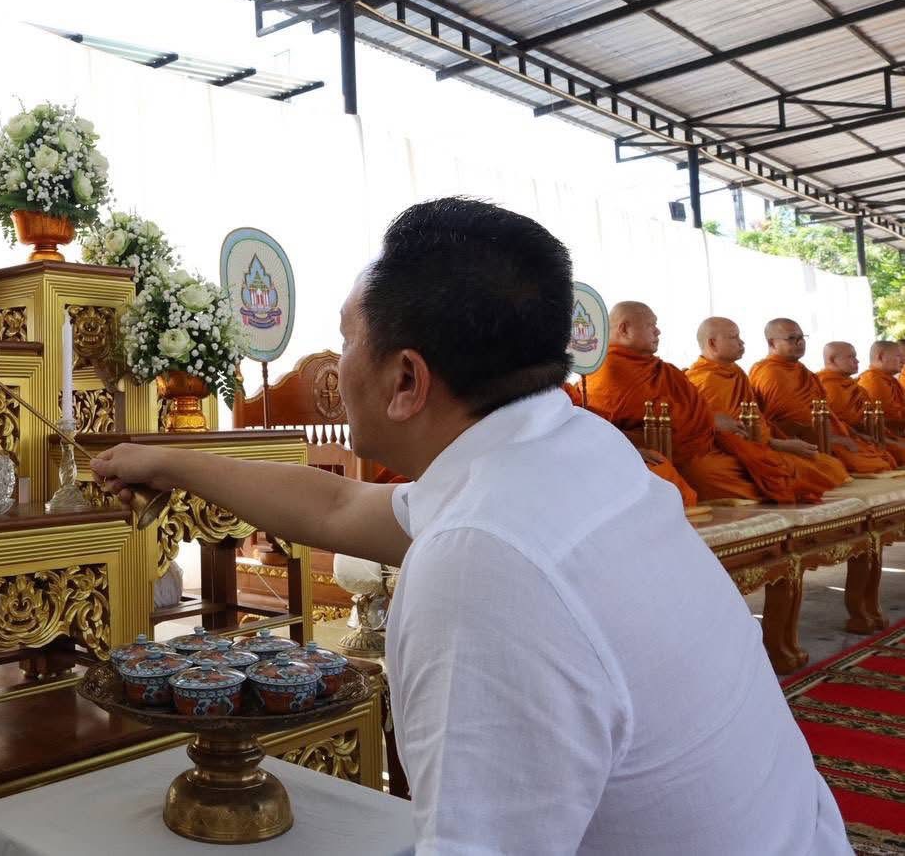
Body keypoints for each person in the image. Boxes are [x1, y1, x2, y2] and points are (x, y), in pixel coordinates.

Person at [94, 198, 846, 853]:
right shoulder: (572, 449)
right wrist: (167, 461)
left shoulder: (480, 566)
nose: (336, 366)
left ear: (405, 380)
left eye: (347, 339)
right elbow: (336, 507)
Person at [584, 301, 803, 503]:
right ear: (624, 329)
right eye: (651, 325)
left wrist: (712, 423)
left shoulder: (665, 370)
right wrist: (710, 420)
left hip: (700, 446)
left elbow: (692, 412)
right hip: (663, 455)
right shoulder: (607, 370)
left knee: (766, 464)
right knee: (708, 472)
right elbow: (604, 430)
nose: (658, 331)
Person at [685, 317, 848, 499]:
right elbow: (713, 434)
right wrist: (778, 444)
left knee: (829, 465)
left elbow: (755, 420)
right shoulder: (703, 379)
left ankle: (768, 481)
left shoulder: (737, 372)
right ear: (712, 343)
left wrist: (771, 443)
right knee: (709, 473)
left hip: (755, 446)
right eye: (733, 337)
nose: (741, 342)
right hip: (721, 453)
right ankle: (770, 483)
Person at [751, 320, 894, 474]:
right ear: (771, 342)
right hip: (794, 439)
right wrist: (829, 438)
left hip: (823, 434)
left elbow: (827, 414)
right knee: (850, 464)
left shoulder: (804, 372)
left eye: (802, 337)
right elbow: (789, 419)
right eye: (792, 338)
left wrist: (852, 434)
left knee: (879, 455)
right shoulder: (769, 372)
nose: (800, 342)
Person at [563, 380, 699, 510]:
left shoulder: (563, 390)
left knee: (660, 469)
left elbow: (591, 425)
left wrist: (629, 451)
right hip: (574, 466)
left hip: (605, 450)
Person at [819, 340, 905, 465]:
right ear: (832, 360)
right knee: (882, 460)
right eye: (851, 357)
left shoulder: (856, 386)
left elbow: (873, 419)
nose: (857, 361)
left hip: (868, 436)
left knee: (886, 456)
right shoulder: (825, 385)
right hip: (840, 439)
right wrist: (855, 435)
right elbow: (830, 423)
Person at [858, 340, 905, 437]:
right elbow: (888, 415)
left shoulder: (891, 380)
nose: (903, 361)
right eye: (898, 356)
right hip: (884, 436)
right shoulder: (873, 380)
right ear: (881, 357)